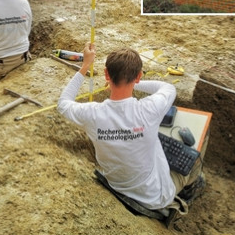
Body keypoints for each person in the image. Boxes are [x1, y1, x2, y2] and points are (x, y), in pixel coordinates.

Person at [57, 43, 204, 216]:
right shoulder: (149, 109)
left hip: (117, 185)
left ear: (106, 75)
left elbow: (63, 104)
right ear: (139, 76)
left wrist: (85, 66)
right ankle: (185, 194)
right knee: (194, 162)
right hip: (154, 197)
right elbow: (167, 88)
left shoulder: (92, 114)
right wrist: (135, 83)